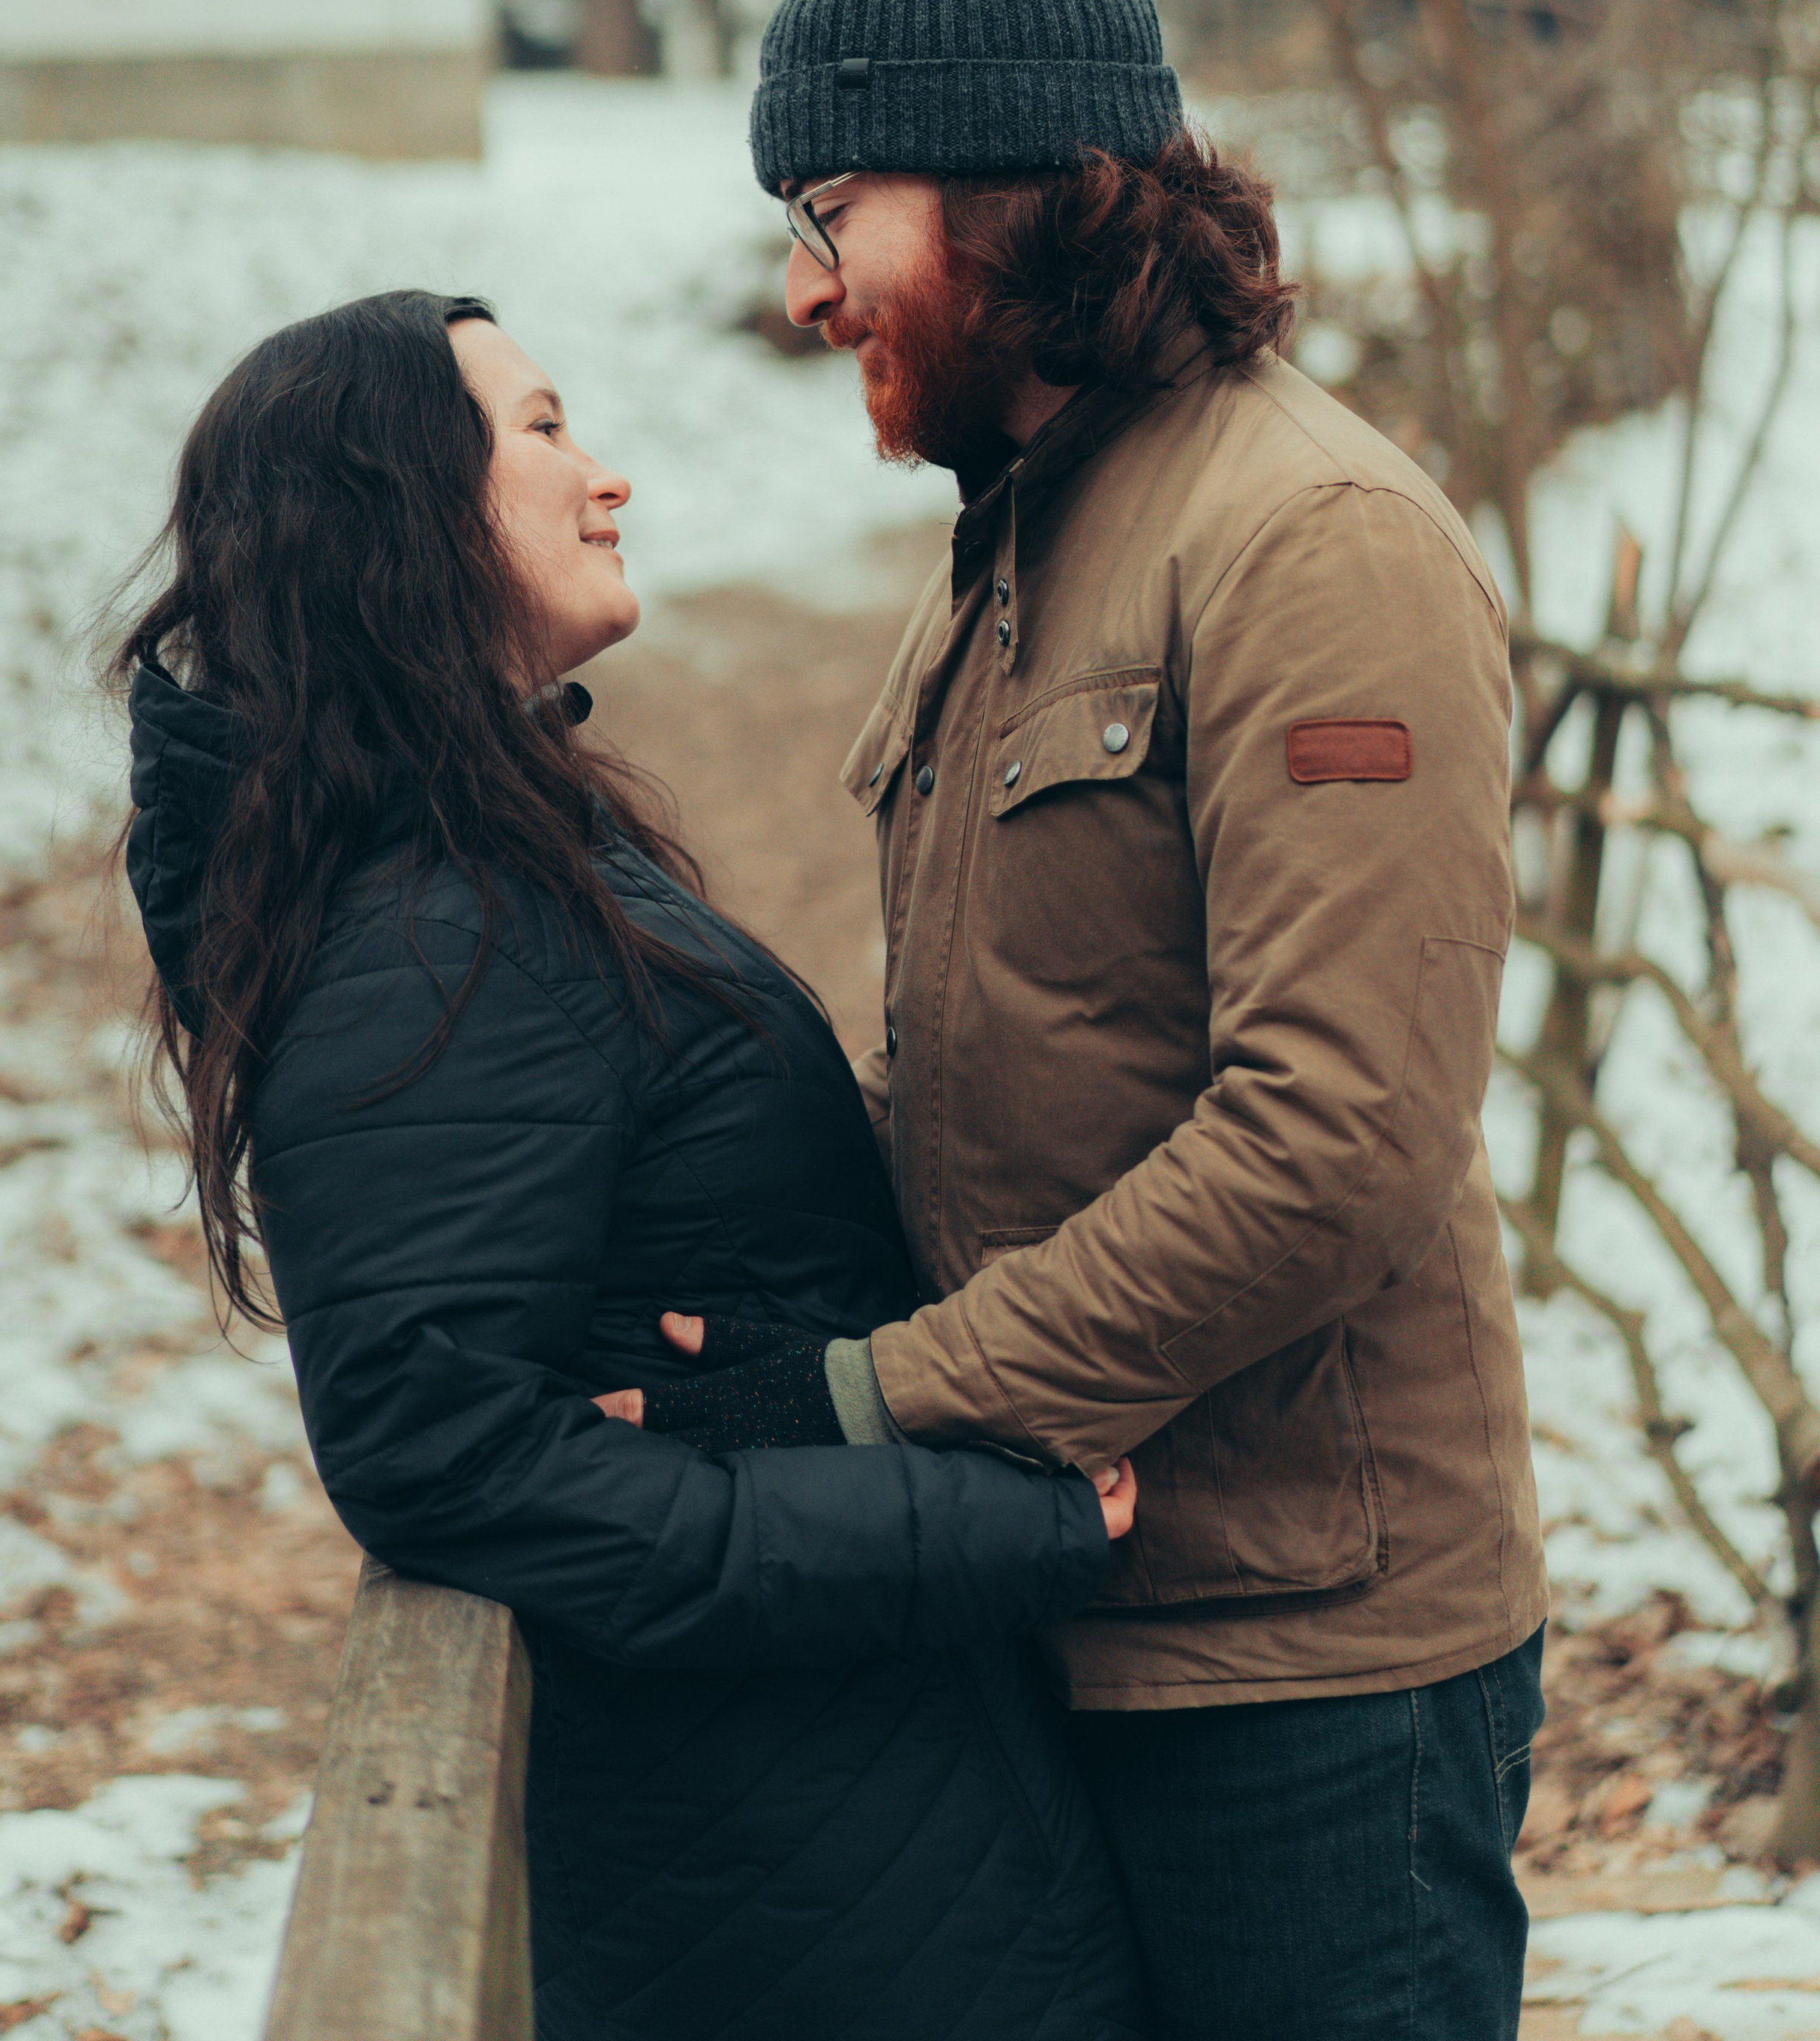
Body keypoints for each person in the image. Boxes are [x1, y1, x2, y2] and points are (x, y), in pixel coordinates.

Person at [613, 0, 1549, 2041]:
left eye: (833, 204)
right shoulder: (1027, 528)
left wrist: (869, 1405)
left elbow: (1336, 1137)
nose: (804, 282)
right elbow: (1010, 1058)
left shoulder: (1309, 543)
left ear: (1010, 184)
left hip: (1310, 1657)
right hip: (1083, 1595)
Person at [110, 289, 1148, 2041]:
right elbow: (434, 1451)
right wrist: (982, 1522)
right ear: (397, 508)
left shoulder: (482, 856)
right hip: (792, 1872)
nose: (606, 478)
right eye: (539, 429)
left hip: (839, 1811)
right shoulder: (432, 932)